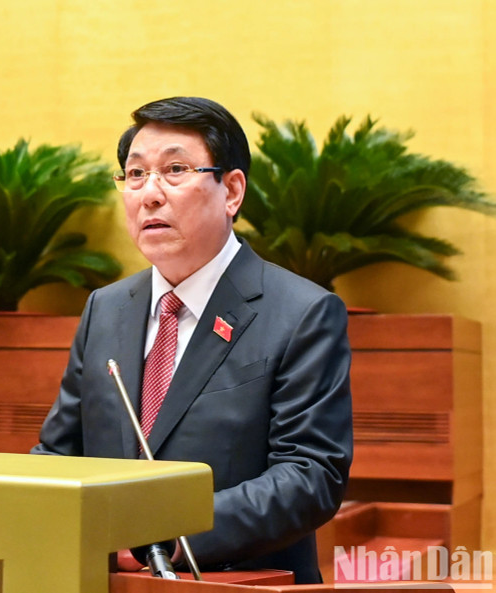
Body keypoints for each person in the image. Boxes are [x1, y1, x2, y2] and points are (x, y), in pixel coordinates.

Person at [31, 96, 353, 584]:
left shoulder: (301, 312)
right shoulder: (106, 308)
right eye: (135, 175)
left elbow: (310, 477)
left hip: (236, 579)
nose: (150, 194)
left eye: (175, 169)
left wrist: (164, 538)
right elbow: (59, 455)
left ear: (232, 192)